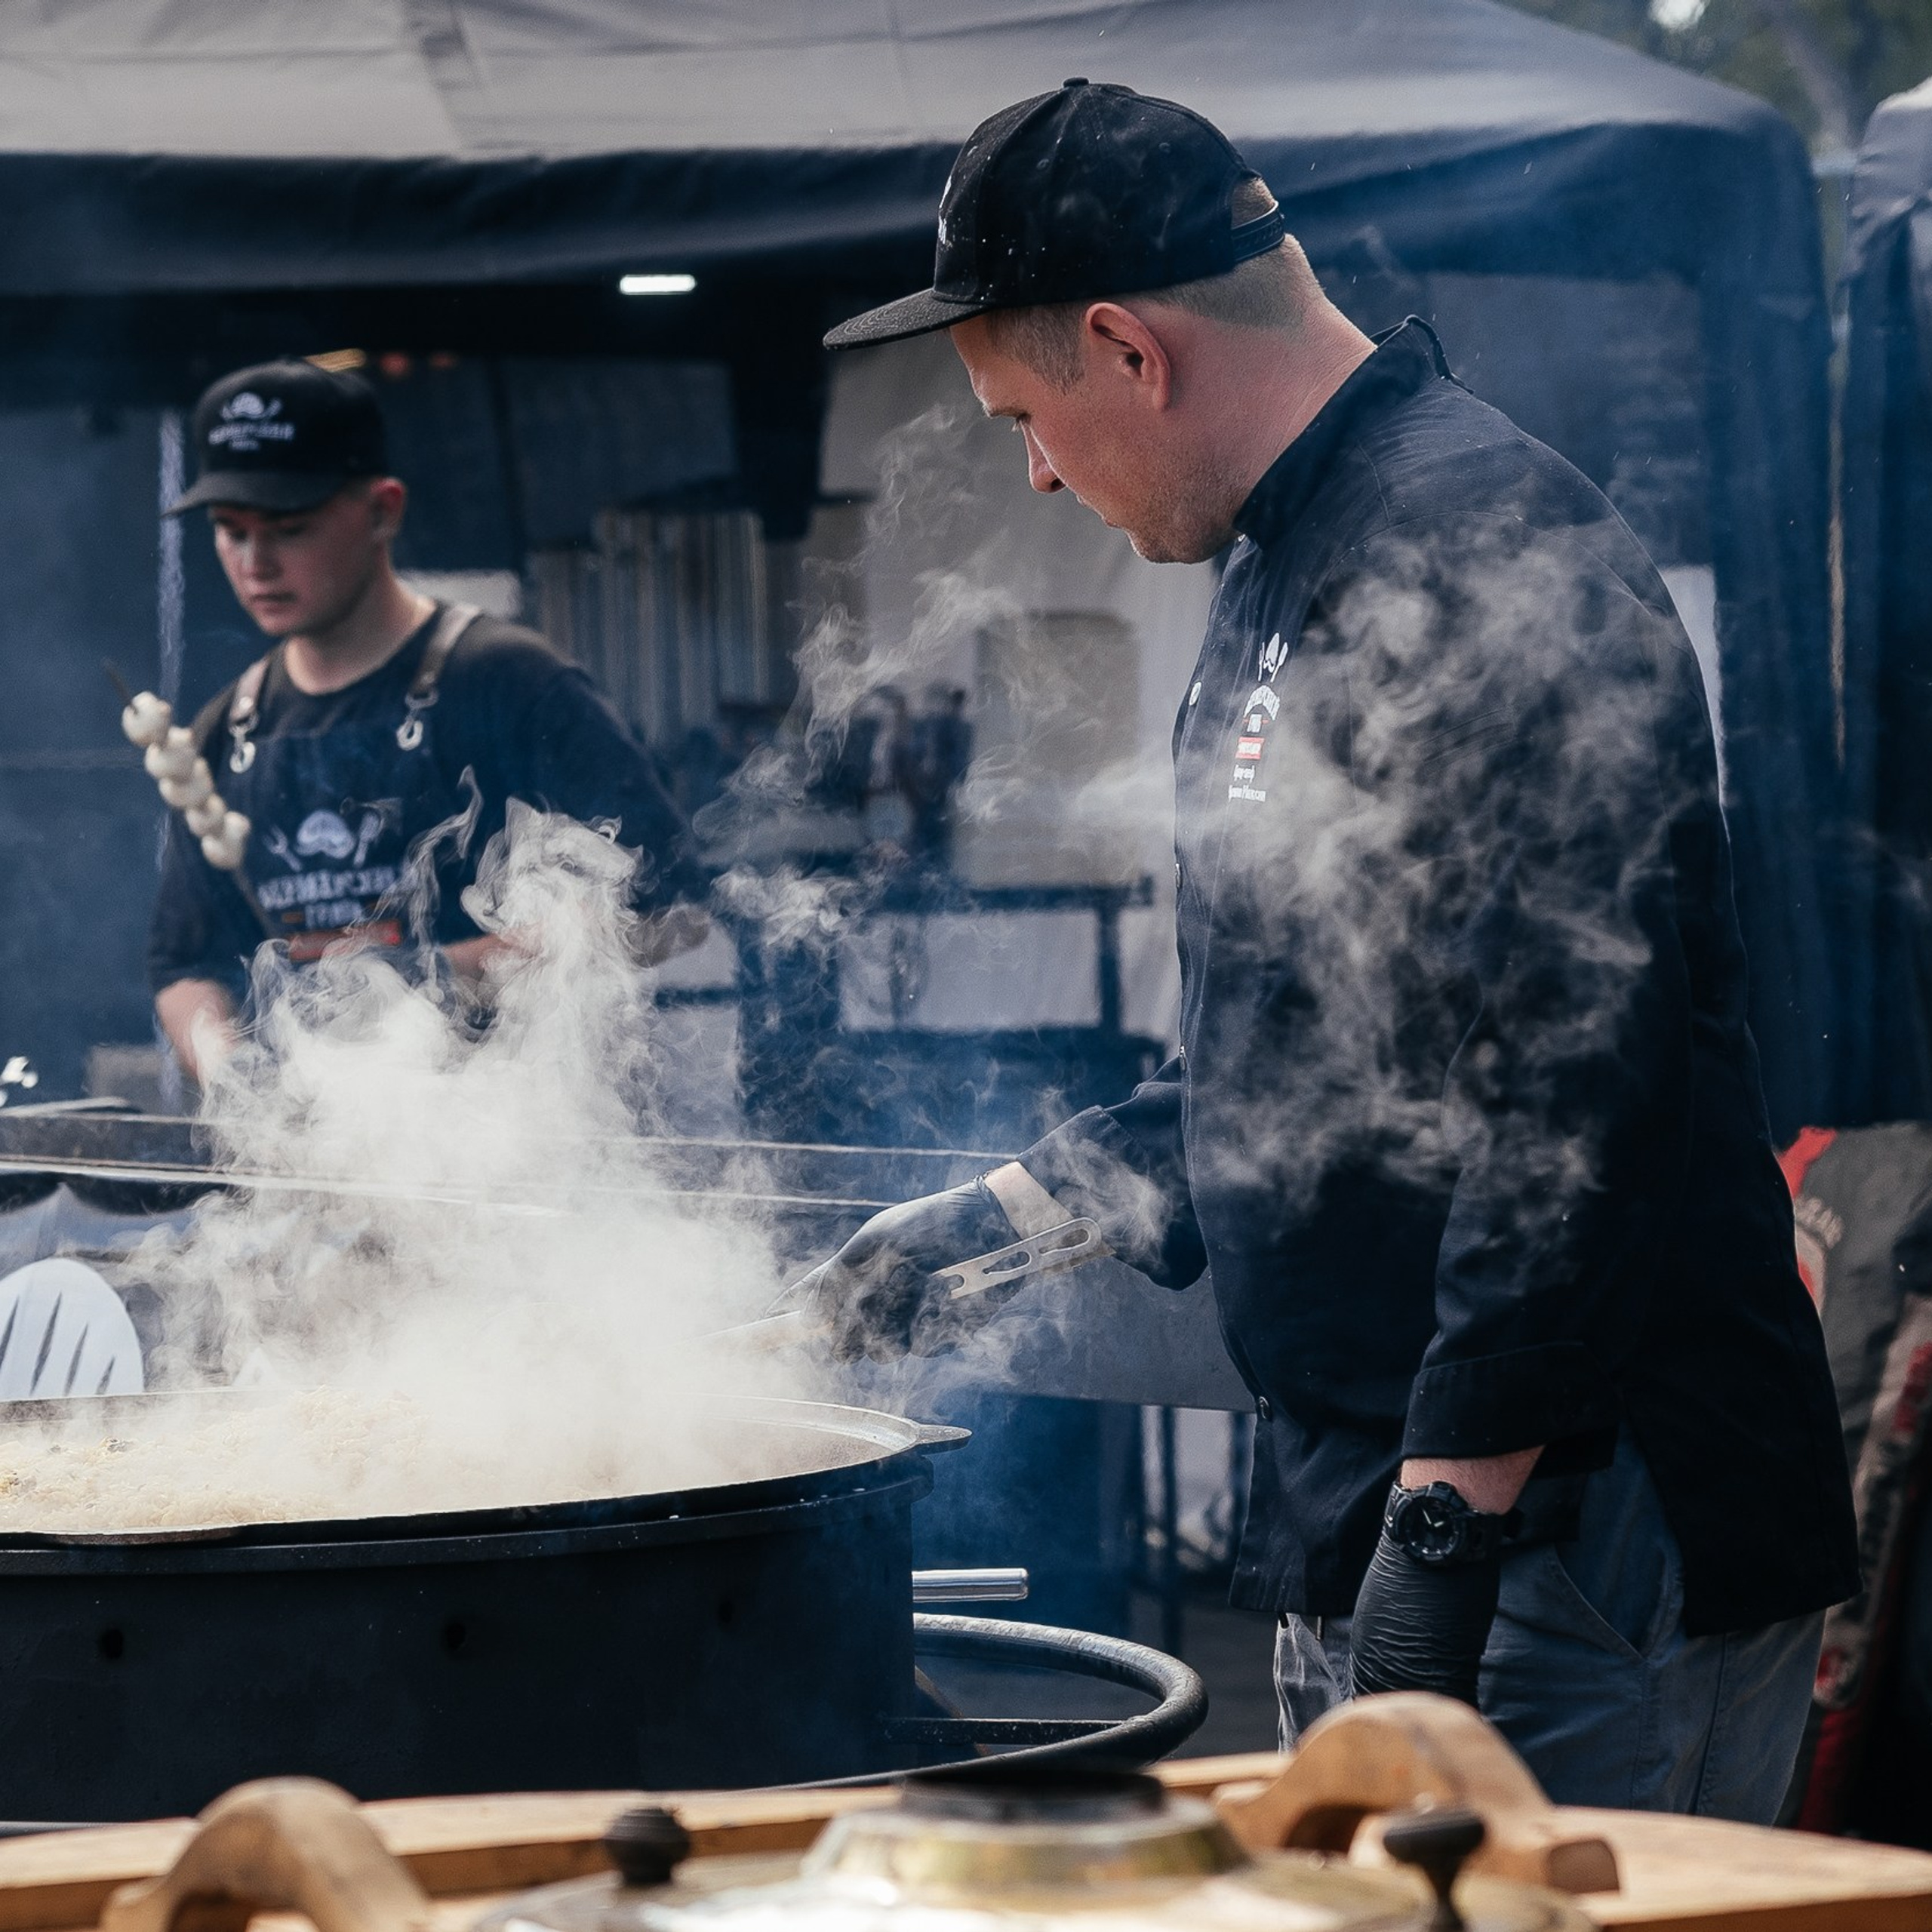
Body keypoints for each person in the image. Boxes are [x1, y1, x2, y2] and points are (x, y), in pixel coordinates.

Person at [804, 80, 1857, 1818]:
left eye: (1025, 416)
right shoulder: (1289, 561)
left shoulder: (1469, 549)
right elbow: (1285, 1053)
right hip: (1403, 1502)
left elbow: (1570, 1080)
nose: (1036, 471)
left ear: (1123, 350)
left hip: (1563, 1533)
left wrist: (1444, 1525)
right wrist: (987, 1223)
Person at [148, 358, 705, 1080]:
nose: (256, 562)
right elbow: (184, 965)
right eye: (231, 531)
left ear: (383, 509)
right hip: (322, 1150)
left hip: (521, 1133)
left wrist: (430, 979)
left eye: (290, 527)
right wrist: (234, 1078)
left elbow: (672, 906)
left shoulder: (507, 683)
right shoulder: (227, 732)